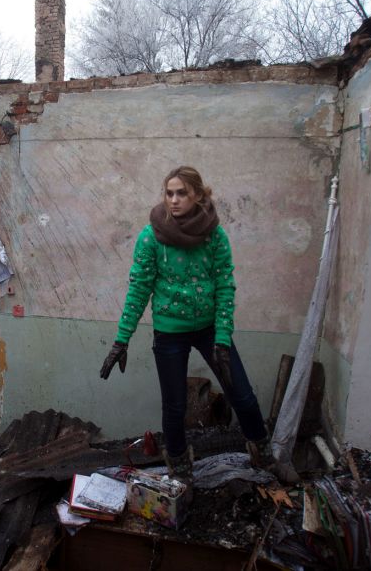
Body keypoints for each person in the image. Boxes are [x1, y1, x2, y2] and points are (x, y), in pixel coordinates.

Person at [100, 166, 298, 486]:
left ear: (198, 195)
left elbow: (224, 286)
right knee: (175, 406)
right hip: (169, 332)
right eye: (169, 193)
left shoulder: (214, 235)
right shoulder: (152, 236)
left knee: (243, 395)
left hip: (209, 330)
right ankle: (180, 471)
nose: (174, 200)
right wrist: (121, 340)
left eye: (182, 193)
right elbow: (139, 289)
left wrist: (222, 338)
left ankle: (263, 456)